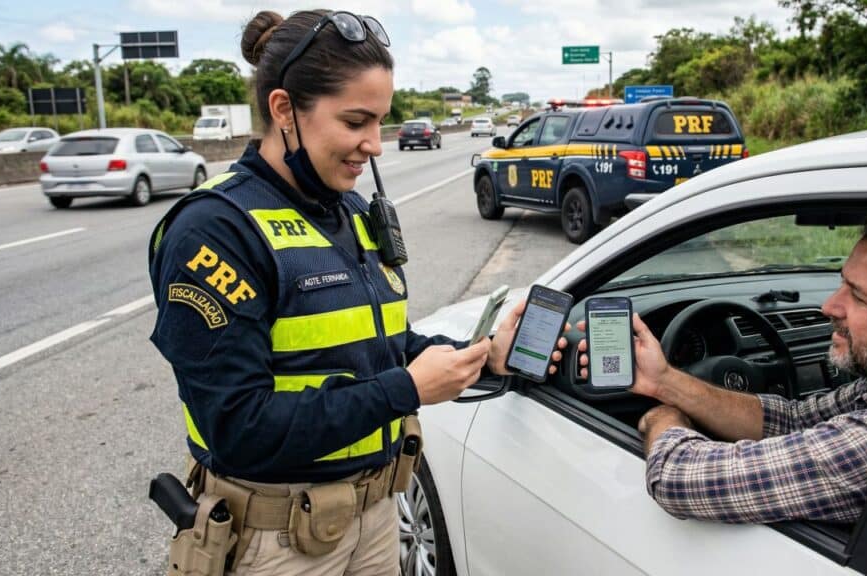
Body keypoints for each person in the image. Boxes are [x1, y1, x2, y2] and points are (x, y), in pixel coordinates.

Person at [147, 9, 567, 575]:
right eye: (355, 121)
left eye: (380, 121)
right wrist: (405, 390)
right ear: (283, 110)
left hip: (375, 514)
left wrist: (483, 353)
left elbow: (381, 346)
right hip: (276, 540)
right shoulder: (215, 230)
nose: (375, 145)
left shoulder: (347, 209)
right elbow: (238, 428)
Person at [577, 212, 867, 524]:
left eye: (858, 297)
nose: (829, 307)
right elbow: (791, 419)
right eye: (841, 283)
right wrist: (664, 381)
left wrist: (662, 416)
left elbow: (679, 478)